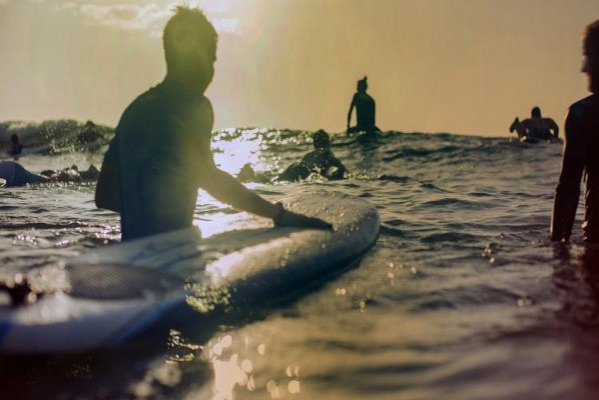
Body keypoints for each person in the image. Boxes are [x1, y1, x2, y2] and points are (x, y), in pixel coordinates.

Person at [95, 6, 331, 241]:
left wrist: (147, 212)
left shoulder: (134, 110)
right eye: (211, 58)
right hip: (174, 254)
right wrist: (279, 214)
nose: (211, 70)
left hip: (131, 253)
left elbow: (104, 195)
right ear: (195, 56)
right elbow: (212, 179)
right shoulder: (193, 105)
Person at [551, 20, 599, 243]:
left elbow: (569, 190)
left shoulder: (582, 115)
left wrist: (558, 251)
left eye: (586, 55)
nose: (583, 67)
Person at [278, 130, 346, 182]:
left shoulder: (309, 155)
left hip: (295, 167)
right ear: (328, 142)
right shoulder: (327, 153)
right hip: (305, 171)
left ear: (314, 144)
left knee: (281, 180)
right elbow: (341, 168)